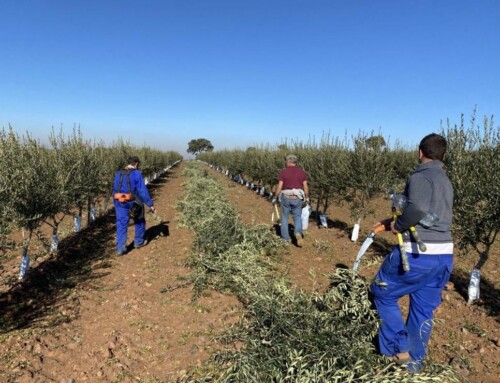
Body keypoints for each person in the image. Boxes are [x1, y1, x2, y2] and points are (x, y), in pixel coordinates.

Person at [370, 133, 454, 372]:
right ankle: (414, 364)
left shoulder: (420, 176)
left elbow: (417, 208)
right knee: (422, 308)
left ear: (420, 152)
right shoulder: (445, 181)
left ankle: (399, 349)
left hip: (418, 254)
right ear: (442, 155)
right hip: (443, 257)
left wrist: (398, 225)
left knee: (381, 291)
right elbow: (430, 216)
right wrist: (391, 221)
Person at [112, 156, 156, 255]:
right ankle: (138, 242)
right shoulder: (137, 174)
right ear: (136, 164)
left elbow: (114, 189)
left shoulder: (118, 173)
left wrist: (115, 203)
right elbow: (142, 191)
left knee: (121, 223)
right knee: (139, 220)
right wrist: (150, 204)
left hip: (119, 200)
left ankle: (120, 248)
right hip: (133, 201)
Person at [273, 154, 309, 247]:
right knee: (297, 216)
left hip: (286, 197)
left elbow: (280, 186)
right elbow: (305, 186)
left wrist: (275, 197)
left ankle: (286, 238)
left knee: (284, 218)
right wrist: (307, 197)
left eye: (286, 161)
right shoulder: (302, 172)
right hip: (297, 198)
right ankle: (297, 232)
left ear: (288, 161)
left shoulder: (283, 172)